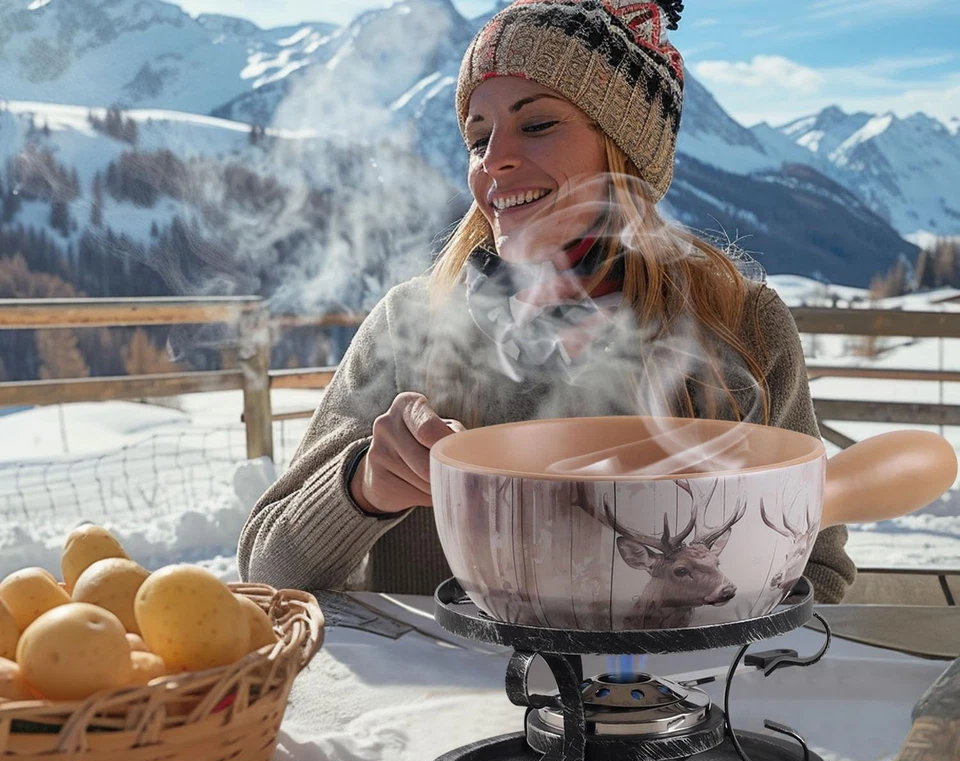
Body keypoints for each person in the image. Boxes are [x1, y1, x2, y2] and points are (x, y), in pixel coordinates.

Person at [238, 0, 856, 604]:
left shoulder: (740, 325)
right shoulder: (414, 325)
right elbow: (265, 567)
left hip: (672, 696)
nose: (493, 160)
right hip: (442, 695)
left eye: (536, 125)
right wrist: (364, 485)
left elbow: (818, 571)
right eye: (477, 138)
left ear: (625, 152)